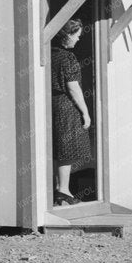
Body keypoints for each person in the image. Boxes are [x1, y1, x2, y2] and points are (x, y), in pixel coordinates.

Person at [50, 18, 93, 205]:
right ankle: (63, 190)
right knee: (67, 150)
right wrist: (85, 112)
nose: (78, 40)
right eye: (76, 36)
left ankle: (60, 189)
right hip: (65, 105)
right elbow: (73, 88)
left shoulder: (49, 53)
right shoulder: (67, 58)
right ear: (66, 35)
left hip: (51, 102)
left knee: (58, 148)